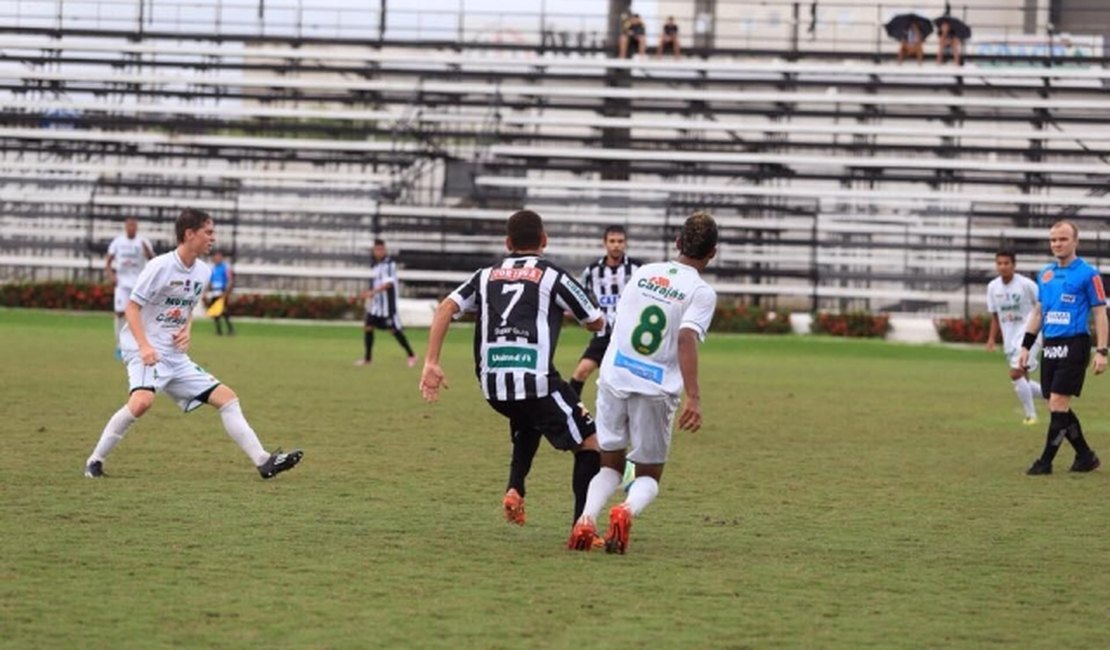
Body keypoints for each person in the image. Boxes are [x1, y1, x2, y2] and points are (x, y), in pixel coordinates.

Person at [419, 209, 606, 530]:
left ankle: (515, 488)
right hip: (534, 380)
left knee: (529, 420)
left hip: (493, 386)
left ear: (508, 242)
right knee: (591, 443)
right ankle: (583, 527)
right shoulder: (553, 275)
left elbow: (445, 308)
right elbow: (596, 322)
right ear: (544, 241)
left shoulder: (484, 275)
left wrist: (431, 362)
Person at [84, 208, 303, 480]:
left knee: (227, 399)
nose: (213, 238)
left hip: (174, 355)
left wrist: (187, 330)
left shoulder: (203, 271)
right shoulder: (159, 266)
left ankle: (264, 461)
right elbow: (131, 308)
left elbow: (188, 308)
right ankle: (95, 461)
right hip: (146, 351)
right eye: (208, 232)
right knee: (141, 402)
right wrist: (144, 347)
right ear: (189, 234)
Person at [568, 212, 718, 554]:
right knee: (648, 473)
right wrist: (694, 396)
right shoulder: (700, 291)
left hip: (614, 377)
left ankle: (586, 519)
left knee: (610, 463)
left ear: (677, 243)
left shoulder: (644, 273)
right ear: (713, 252)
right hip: (654, 387)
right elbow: (685, 339)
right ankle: (625, 510)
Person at [1019, 220, 1107, 476]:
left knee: (1058, 402)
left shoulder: (1088, 274)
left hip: (1075, 343)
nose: (1057, 244)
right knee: (1056, 405)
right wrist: (1026, 346)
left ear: (1075, 241)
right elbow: (1039, 312)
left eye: (1063, 239)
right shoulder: (1045, 274)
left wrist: (1102, 351)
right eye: (1053, 239)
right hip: (1051, 344)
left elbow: (1101, 314)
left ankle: (1045, 462)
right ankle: (1085, 456)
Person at [570, 225, 641, 398]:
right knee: (581, 372)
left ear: (625, 244)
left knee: (630, 381)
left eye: (620, 241)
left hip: (627, 337)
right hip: (602, 336)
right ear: (605, 243)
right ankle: (571, 413)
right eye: (612, 241)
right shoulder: (592, 271)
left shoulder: (638, 270)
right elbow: (583, 298)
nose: (616, 245)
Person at [985, 250, 1043, 425]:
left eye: (1006, 263)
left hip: (1030, 334)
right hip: (1010, 338)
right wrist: (991, 339)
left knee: (1016, 373)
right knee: (1022, 379)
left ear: (1014, 265)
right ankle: (1053, 394)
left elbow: (1043, 305)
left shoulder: (1026, 285)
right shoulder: (993, 287)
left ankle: (1031, 415)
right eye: (999, 263)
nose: (1003, 266)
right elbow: (995, 315)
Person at [356, 239, 417, 367]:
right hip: (376, 306)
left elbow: (389, 284)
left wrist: (372, 292)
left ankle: (411, 355)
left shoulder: (389, 264)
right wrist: (371, 295)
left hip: (387, 306)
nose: (379, 252)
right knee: (368, 327)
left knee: (394, 330)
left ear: (385, 250)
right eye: (377, 249)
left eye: (381, 249)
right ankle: (367, 359)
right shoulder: (375, 266)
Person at [105, 217, 154, 358]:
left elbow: (153, 260)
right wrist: (111, 275)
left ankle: (139, 345)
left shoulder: (143, 241)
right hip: (122, 284)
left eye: (134, 226)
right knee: (120, 313)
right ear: (125, 227)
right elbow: (108, 260)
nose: (131, 228)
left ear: (137, 227)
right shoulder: (118, 242)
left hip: (138, 284)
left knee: (140, 315)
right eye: (129, 226)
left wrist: (147, 253)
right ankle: (119, 346)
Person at [203, 250, 235, 336]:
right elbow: (210, 281)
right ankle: (219, 330)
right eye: (215, 257)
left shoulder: (225, 268)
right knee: (215, 312)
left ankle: (230, 329)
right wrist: (205, 292)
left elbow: (230, 280)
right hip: (214, 292)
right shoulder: (213, 268)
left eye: (218, 257)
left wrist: (226, 292)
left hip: (221, 292)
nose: (216, 259)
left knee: (224, 311)